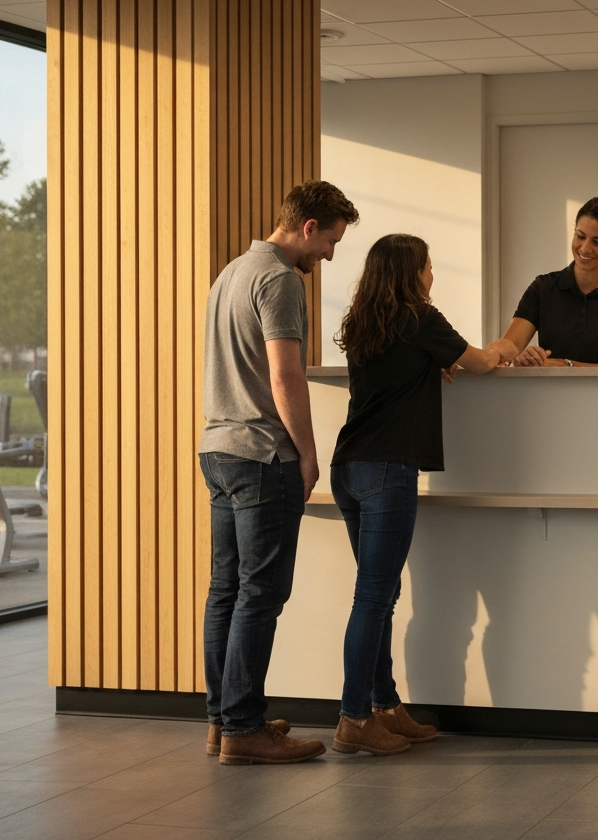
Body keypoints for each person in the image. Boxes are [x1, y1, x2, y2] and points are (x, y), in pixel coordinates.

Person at [330, 234, 517, 755]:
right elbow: (481, 362)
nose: (432, 275)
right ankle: (352, 717)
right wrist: (505, 348)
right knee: (373, 598)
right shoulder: (420, 320)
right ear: (412, 273)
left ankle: (384, 706)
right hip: (388, 470)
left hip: (348, 468)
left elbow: (400, 373)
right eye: (429, 267)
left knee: (379, 597)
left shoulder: (365, 321)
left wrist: (433, 363)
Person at [199, 180, 359, 765]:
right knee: (260, 594)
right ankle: (244, 727)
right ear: (309, 227)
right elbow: (285, 375)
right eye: (331, 242)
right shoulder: (281, 280)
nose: (330, 257)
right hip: (264, 453)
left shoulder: (231, 272)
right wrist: (309, 453)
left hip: (217, 448)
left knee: (226, 590)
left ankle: (223, 721)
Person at [503, 196, 598, 367]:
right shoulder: (543, 288)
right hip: (547, 393)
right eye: (580, 236)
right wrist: (524, 358)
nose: (585, 248)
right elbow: (509, 349)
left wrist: (565, 365)